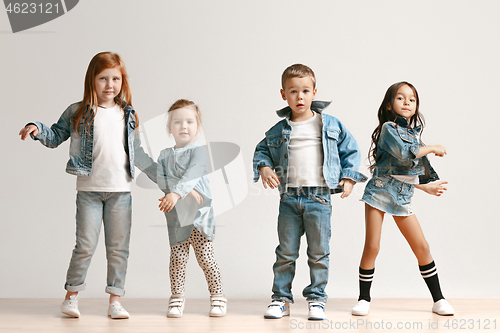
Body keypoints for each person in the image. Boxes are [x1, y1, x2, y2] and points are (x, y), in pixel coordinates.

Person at [18, 52, 156, 319]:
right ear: (92, 80)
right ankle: (71, 296)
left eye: (115, 78)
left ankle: (115, 300)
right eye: (103, 78)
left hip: (120, 193)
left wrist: (167, 182)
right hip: (89, 192)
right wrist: (36, 127)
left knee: (118, 248)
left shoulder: (128, 114)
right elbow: (55, 135)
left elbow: (138, 153)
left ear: (122, 81)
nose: (109, 85)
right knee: (85, 245)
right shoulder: (78, 111)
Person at [253, 64, 367, 320]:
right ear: (284, 95)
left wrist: (349, 178)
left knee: (318, 252)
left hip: (319, 198)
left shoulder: (330, 125)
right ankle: (281, 299)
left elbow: (351, 151)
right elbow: (261, 150)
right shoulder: (278, 131)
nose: (300, 96)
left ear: (315, 92)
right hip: (289, 199)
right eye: (293, 91)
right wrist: (264, 167)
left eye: (305, 91)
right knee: (285, 252)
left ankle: (316, 299)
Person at [351, 82, 454, 316]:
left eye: (412, 99)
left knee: (422, 247)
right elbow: (405, 154)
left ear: (416, 107)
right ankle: (364, 299)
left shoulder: (413, 135)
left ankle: (439, 300)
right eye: (400, 98)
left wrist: (426, 186)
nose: (407, 102)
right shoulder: (389, 129)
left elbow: (410, 170)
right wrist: (431, 147)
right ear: (389, 105)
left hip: (401, 197)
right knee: (372, 246)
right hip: (378, 192)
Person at [157, 99, 226, 318]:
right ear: (170, 128)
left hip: (198, 217)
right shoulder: (164, 155)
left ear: (197, 127)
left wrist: (181, 192)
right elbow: (162, 180)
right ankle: (176, 298)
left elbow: (193, 172)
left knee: (205, 258)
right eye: (177, 122)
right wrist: (180, 191)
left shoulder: (199, 152)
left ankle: (218, 297)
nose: (183, 126)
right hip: (178, 218)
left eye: (189, 121)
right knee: (177, 259)